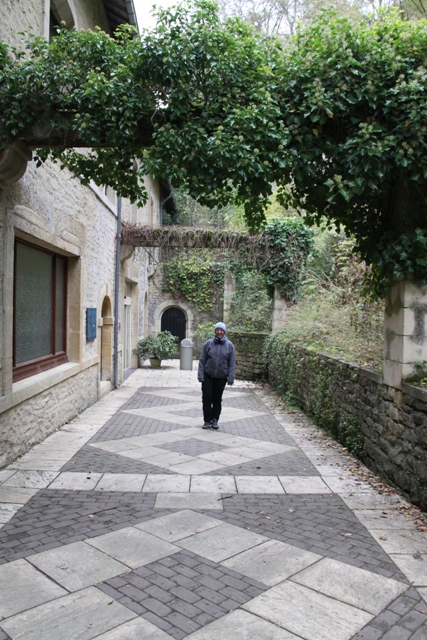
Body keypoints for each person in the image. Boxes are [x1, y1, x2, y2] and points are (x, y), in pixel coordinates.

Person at [198, 322, 236, 430]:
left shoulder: (229, 345)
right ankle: (207, 420)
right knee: (206, 398)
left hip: (221, 377)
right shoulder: (208, 344)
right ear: (215, 331)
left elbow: (232, 363)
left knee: (217, 399)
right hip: (208, 376)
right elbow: (202, 360)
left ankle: (215, 420)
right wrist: (201, 375)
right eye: (217, 330)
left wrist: (231, 377)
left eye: (221, 330)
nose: (219, 332)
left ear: (224, 332)